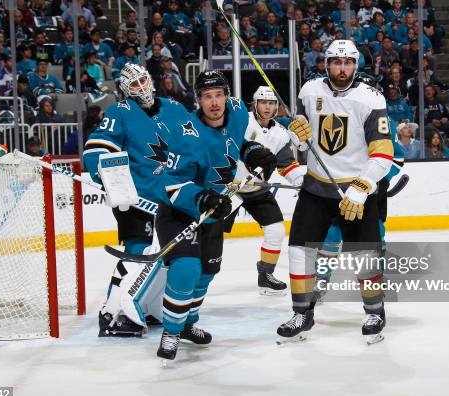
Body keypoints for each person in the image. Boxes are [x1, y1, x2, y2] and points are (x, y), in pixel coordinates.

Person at [154, 70, 277, 361]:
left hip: (213, 211)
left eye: (219, 95)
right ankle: (171, 331)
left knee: (207, 274)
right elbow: (169, 184)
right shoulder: (186, 136)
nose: (214, 103)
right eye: (207, 97)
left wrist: (255, 151)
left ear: (227, 96)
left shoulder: (236, 113)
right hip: (180, 212)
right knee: (186, 270)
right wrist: (201, 196)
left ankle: (187, 325)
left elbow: (238, 143)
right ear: (198, 100)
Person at [278, 40, 393, 344]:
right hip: (316, 188)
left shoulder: (371, 99)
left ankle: (374, 311)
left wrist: (363, 187)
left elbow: (383, 154)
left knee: (364, 254)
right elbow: (302, 140)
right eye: (336, 62)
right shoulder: (309, 91)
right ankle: (302, 313)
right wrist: (297, 138)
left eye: (348, 63)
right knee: (299, 250)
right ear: (325, 63)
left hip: (354, 192)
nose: (342, 69)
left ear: (356, 65)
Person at [83, 63, 192, 338]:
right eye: (134, 85)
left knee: (165, 257)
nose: (141, 88)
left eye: (143, 80)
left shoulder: (175, 108)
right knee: (137, 253)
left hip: (169, 199)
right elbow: (97, 147)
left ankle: (149, 306)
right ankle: (111, 312)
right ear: (125, 90)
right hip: (134, 199)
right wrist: (106, 178)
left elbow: (195, 141)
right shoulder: (121, 112)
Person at [224, 86, 306, 295]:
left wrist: (302, 180)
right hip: (229, 187)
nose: (267, 107)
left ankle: (266, 275)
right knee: (210, 232)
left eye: (271, 103)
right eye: (263, 102)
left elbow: (286, 164)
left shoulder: (280, 133)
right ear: (255, 104)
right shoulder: (242, 120)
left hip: (256, 189)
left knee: (276, 230)